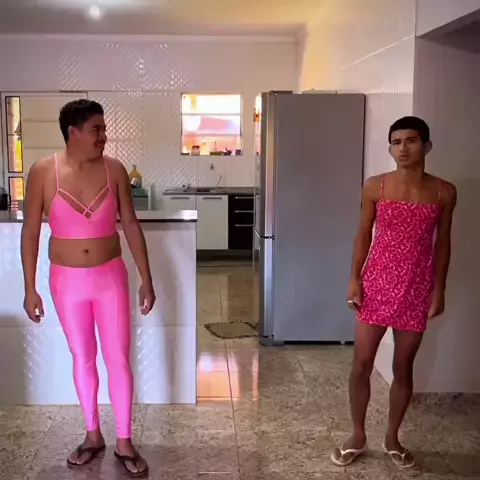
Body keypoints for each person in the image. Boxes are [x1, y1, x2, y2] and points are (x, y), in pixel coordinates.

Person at [21, 99, 154, 477]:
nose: (103, 136)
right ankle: (93, 434)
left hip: (110, 279)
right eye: (97, 129)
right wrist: (29, 288)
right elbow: (30, 231)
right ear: (73, 132)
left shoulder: (115, 170)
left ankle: (124, 441)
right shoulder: (43, 172)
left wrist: (146, 278)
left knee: (118, 359)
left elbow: (130, 224)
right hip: (67, 283)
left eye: (104, 129)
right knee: (83, 357)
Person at [330, 116, 457, 469]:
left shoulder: (444, 192)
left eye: (410, 141)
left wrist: (439, 289)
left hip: (417, 287)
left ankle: (392, 437)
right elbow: (363, 233)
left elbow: (443, 243)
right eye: (396, 142)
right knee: (361, 364)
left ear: (427, 145)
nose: (402, 148)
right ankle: (357, 435)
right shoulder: (376, 186)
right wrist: (354, 278)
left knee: (403, 366)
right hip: (377, 284)